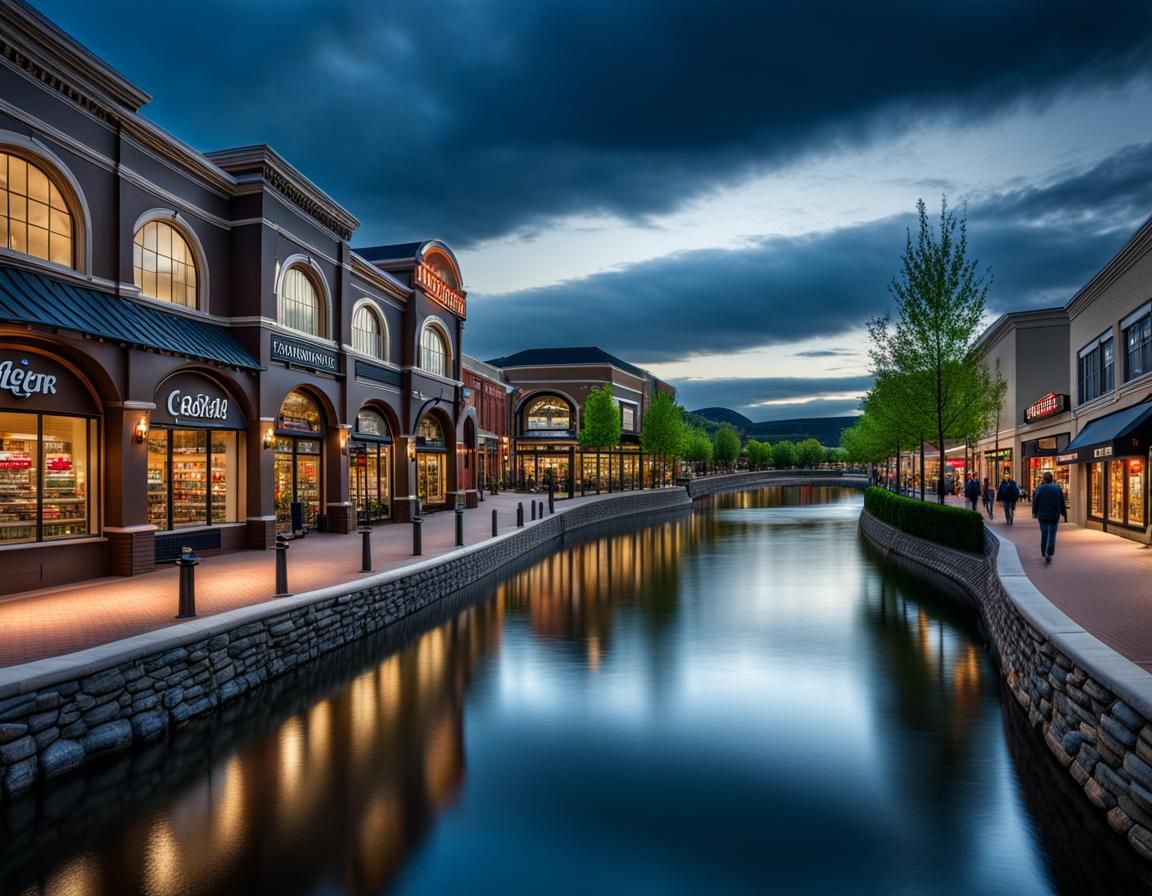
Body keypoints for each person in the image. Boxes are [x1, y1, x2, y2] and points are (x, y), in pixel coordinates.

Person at [1031, 471, 1068, 564]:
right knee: (1052, 534)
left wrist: (1034, 512)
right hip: (1054, 515)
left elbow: (1035, 501)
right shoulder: (1057, 488)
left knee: (1044, 533)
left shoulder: (1040, 488)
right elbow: (1062, 502)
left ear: (1044, 479)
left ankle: (1044, 551)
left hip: (1042, 515)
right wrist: (1064, 514)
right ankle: (1049, 553)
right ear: (1052, 479)